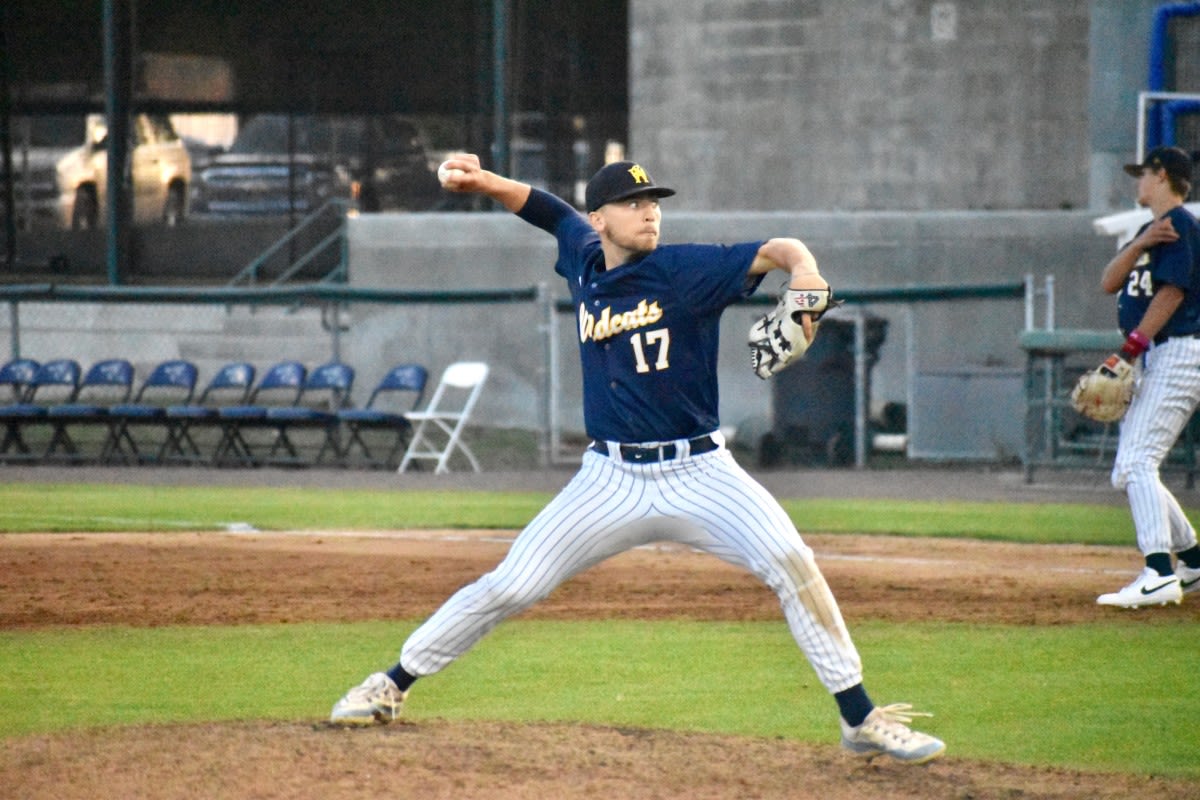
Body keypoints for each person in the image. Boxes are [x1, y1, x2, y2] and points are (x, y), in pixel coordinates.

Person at [330, 155, 946, 763]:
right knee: (511, 585)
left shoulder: (687, 269)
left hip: (701, 472)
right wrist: (481, 179)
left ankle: (860, 717)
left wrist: (806, 272)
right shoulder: (583, 255)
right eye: (634, 203)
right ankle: (389, 684)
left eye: (654, 202)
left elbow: (781, 248)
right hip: (610, 479)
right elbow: (544, 209)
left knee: (793, 562)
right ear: (600, 219)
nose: (650, 212)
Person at [1095, 145, 1200, 608]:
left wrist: (1130, 349)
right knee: (1130, 467)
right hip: (1160, 353)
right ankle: (1193, 561)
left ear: (1161, 176)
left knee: (1136, 462)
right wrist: (1139, 243)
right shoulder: (1152, 230)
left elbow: (1173, 293)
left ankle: (1158, 572)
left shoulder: (1181, 227)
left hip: (1177, 350)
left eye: (1143, 174)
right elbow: (1109, 282)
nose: (1137, 182)